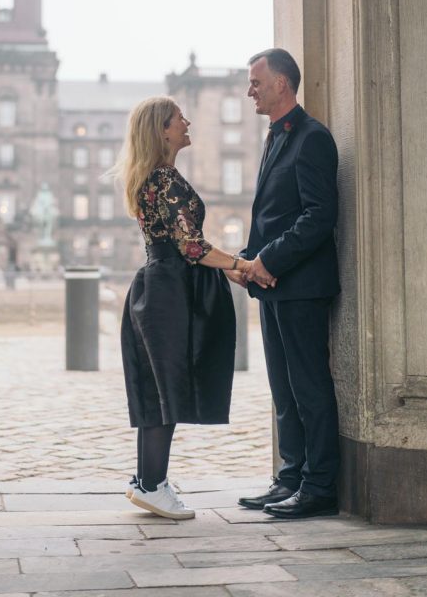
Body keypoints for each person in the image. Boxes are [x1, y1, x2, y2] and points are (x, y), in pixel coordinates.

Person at [118, 96, 259, 520]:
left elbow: (185, 247)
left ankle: (148, 481)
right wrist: (241, 264)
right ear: (162, 130)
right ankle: (154, 484)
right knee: (169, 386)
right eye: (180, 118)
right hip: (173, 289)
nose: (187, 122)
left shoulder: (149, 178)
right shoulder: (166, 180)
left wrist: (227, 266)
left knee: (155, 385)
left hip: (154, 283)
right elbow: (192, 246)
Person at [235, 48, 341, 520]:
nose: (250, 90)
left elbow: (320, 216)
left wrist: (269, 259)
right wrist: (248, 260)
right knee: (283, 389)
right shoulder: (275, 136)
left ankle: (319, 488)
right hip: (273, 285)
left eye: (256, 81)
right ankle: (290, 478)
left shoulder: (313, 137)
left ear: (282, 84)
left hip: (302, 287)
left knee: (309, 388)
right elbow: (272, 216)